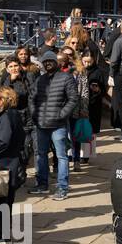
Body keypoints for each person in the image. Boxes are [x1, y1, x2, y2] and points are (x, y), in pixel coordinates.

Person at [30, 50, 78, 200]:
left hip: (58, 125)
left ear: (56, 63)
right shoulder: (40, 79)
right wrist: (34, 115)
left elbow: (73, 99)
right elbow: (32, 99)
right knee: (40, 155)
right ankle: (42, 185)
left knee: (61, 156)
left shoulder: (66, 77)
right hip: (41, 124)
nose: (47, 63)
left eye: (50, 61)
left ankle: (62, 188)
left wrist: (61, 115)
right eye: (45, 62)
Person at [0, 87, 26, 244]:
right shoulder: (12, 115)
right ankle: (2, 232)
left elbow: (4, 140)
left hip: (4, 164)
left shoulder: (7, 117)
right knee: (4, 201)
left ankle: (3, 236)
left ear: (4, 100)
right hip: (11, 163)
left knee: (2, 200)